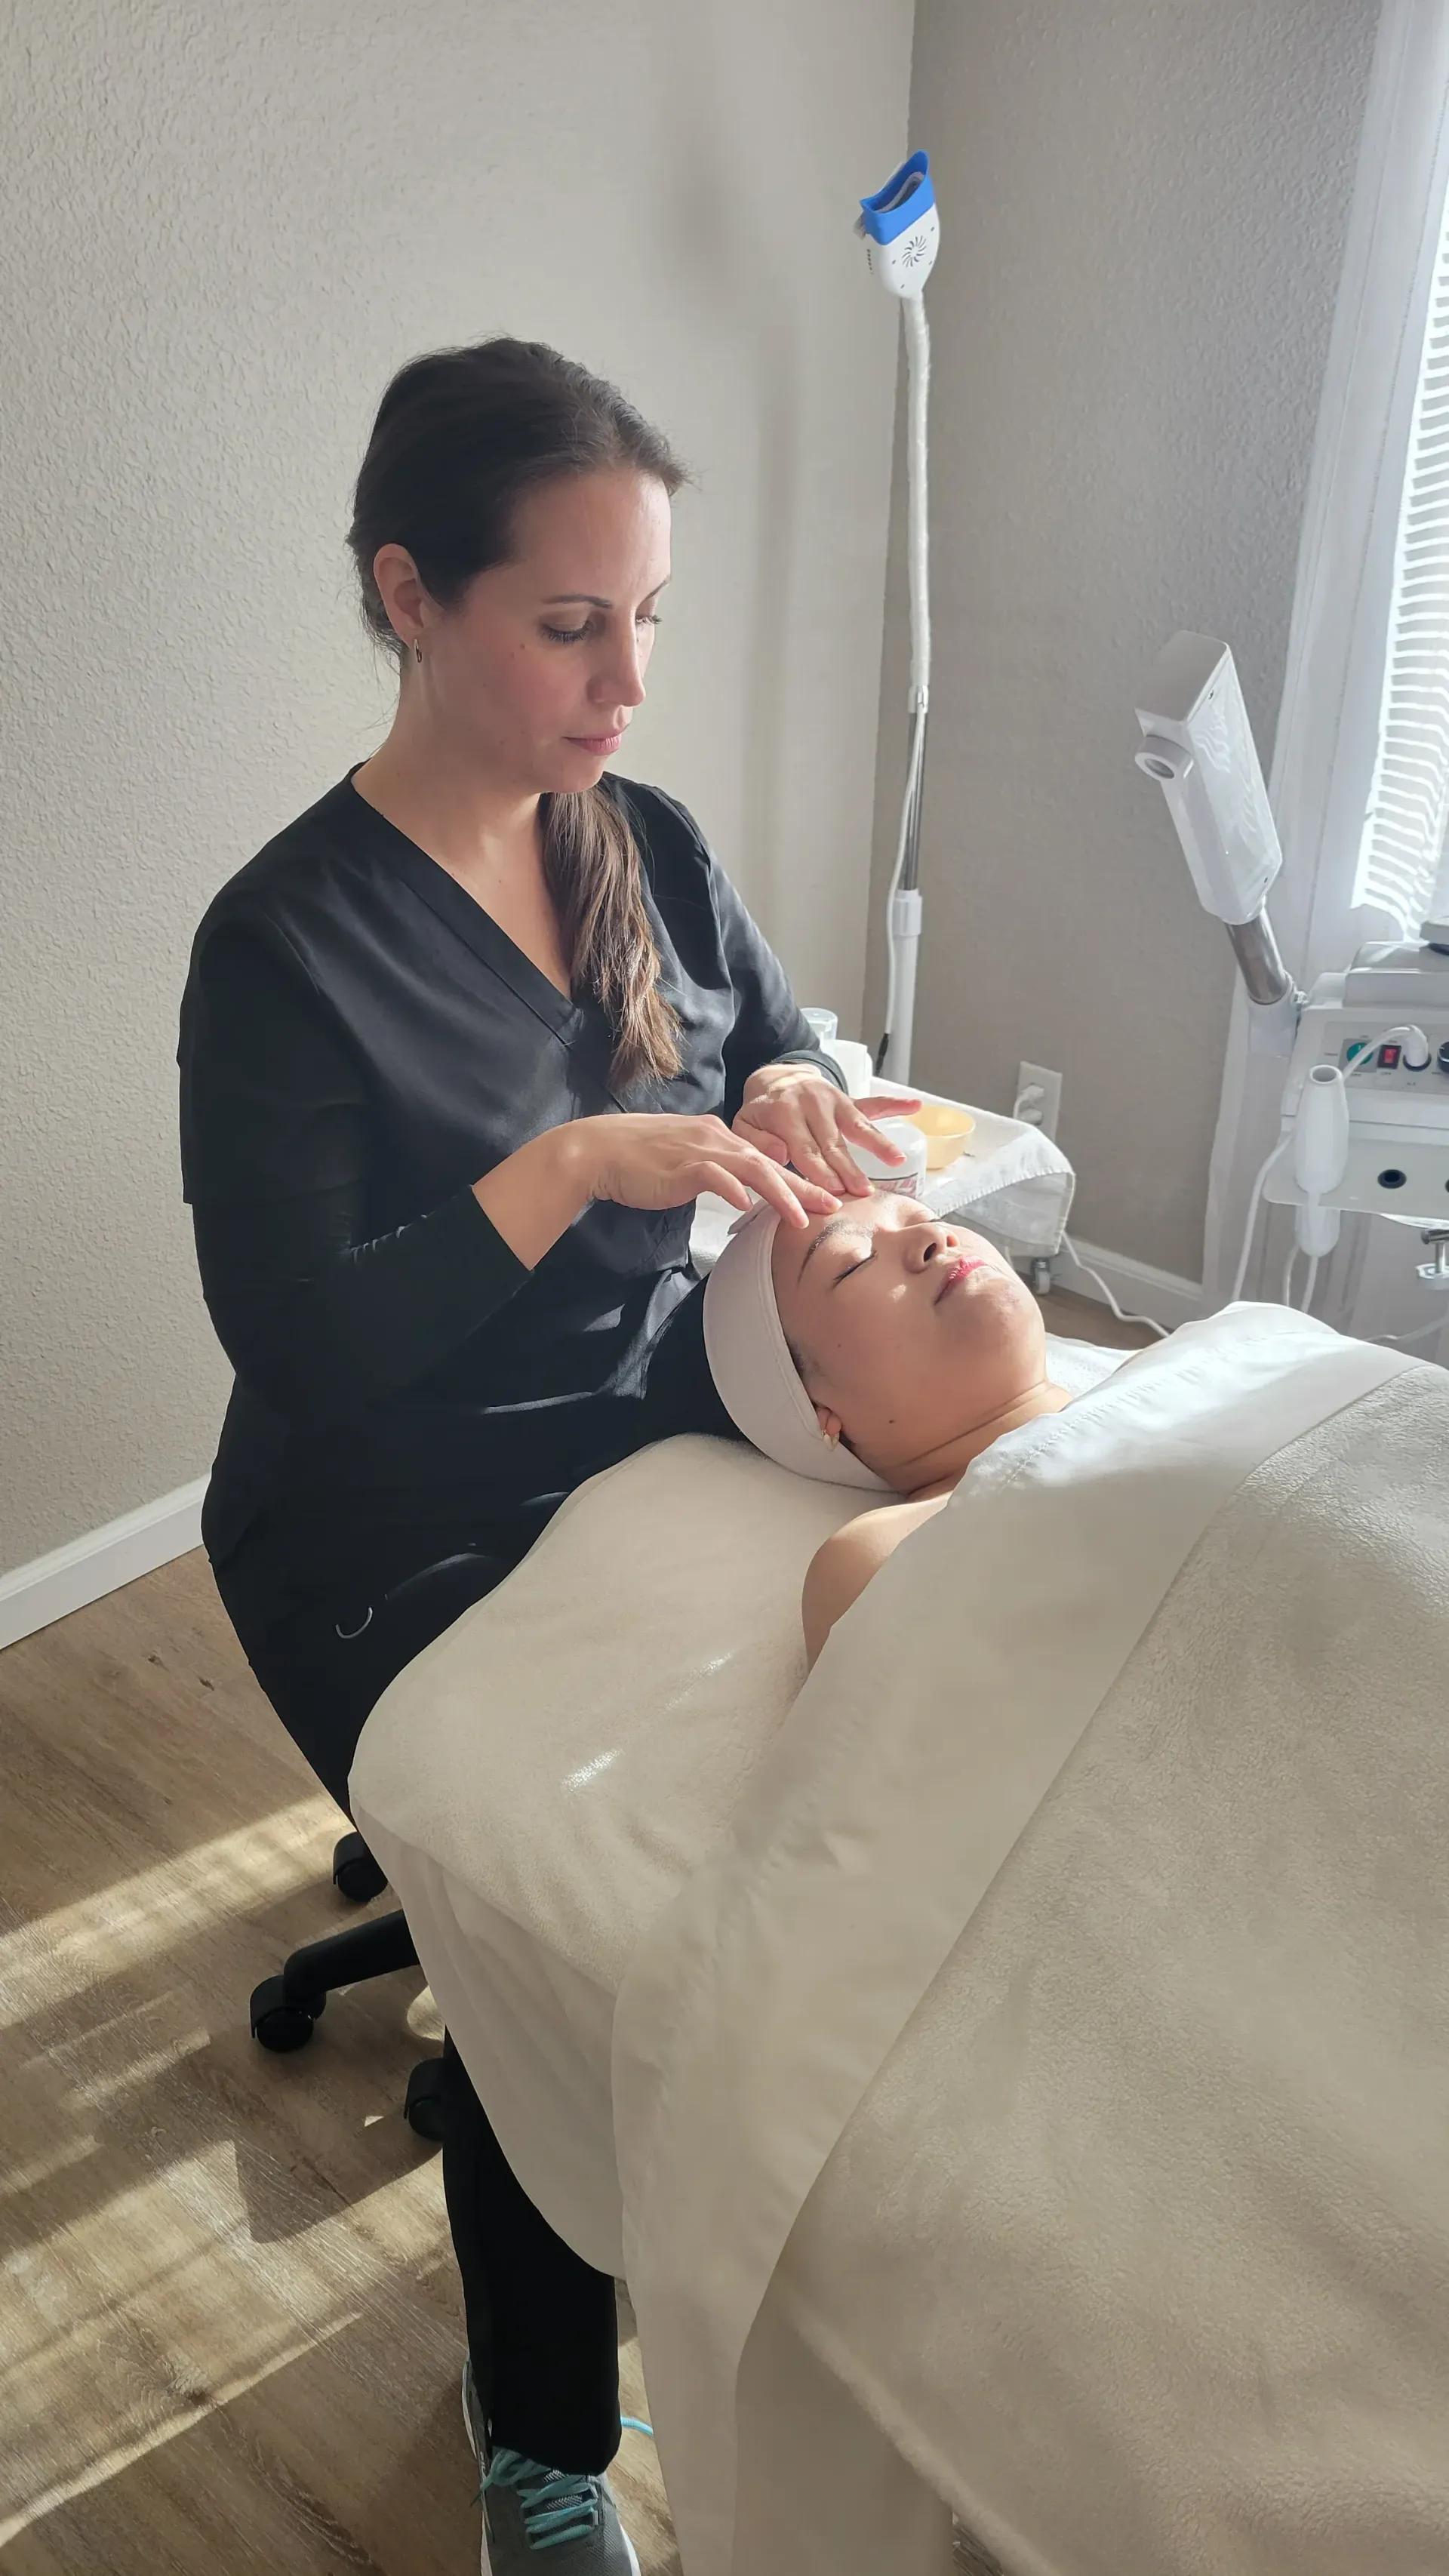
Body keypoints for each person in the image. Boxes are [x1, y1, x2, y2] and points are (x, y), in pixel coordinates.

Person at [177, 335, 920, 2574]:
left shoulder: (644, 844)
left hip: (638, 1425)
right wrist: (563, 1169)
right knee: (557, 1944)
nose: (625, 680)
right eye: (568, 621)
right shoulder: (285, 945)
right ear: (413, 594)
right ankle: (541, 2453)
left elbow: (774, 1044)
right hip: (378, 1514)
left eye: (650, 617)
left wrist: (790, 1096)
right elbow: (295, 1342)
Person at [702, 1190, 1077, 1667]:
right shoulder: (887, 1559)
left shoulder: (1175, 1367)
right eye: (855, 1263)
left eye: (926, 1216)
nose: (932, 1236)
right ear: (814, 1409)